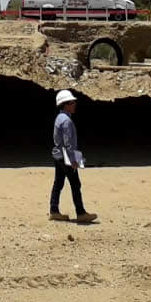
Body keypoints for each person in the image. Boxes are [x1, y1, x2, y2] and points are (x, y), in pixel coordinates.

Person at [49, 90, 97, 224]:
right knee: (76, 184)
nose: (74, 104)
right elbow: (68, 143)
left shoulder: (59, 118)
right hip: (65, 157)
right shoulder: (67, 121)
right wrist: (73, 160)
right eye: (72, 102)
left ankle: (54, 211)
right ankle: (81, 213)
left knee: (58, 183)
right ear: (65, 105)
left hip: (57, 156)